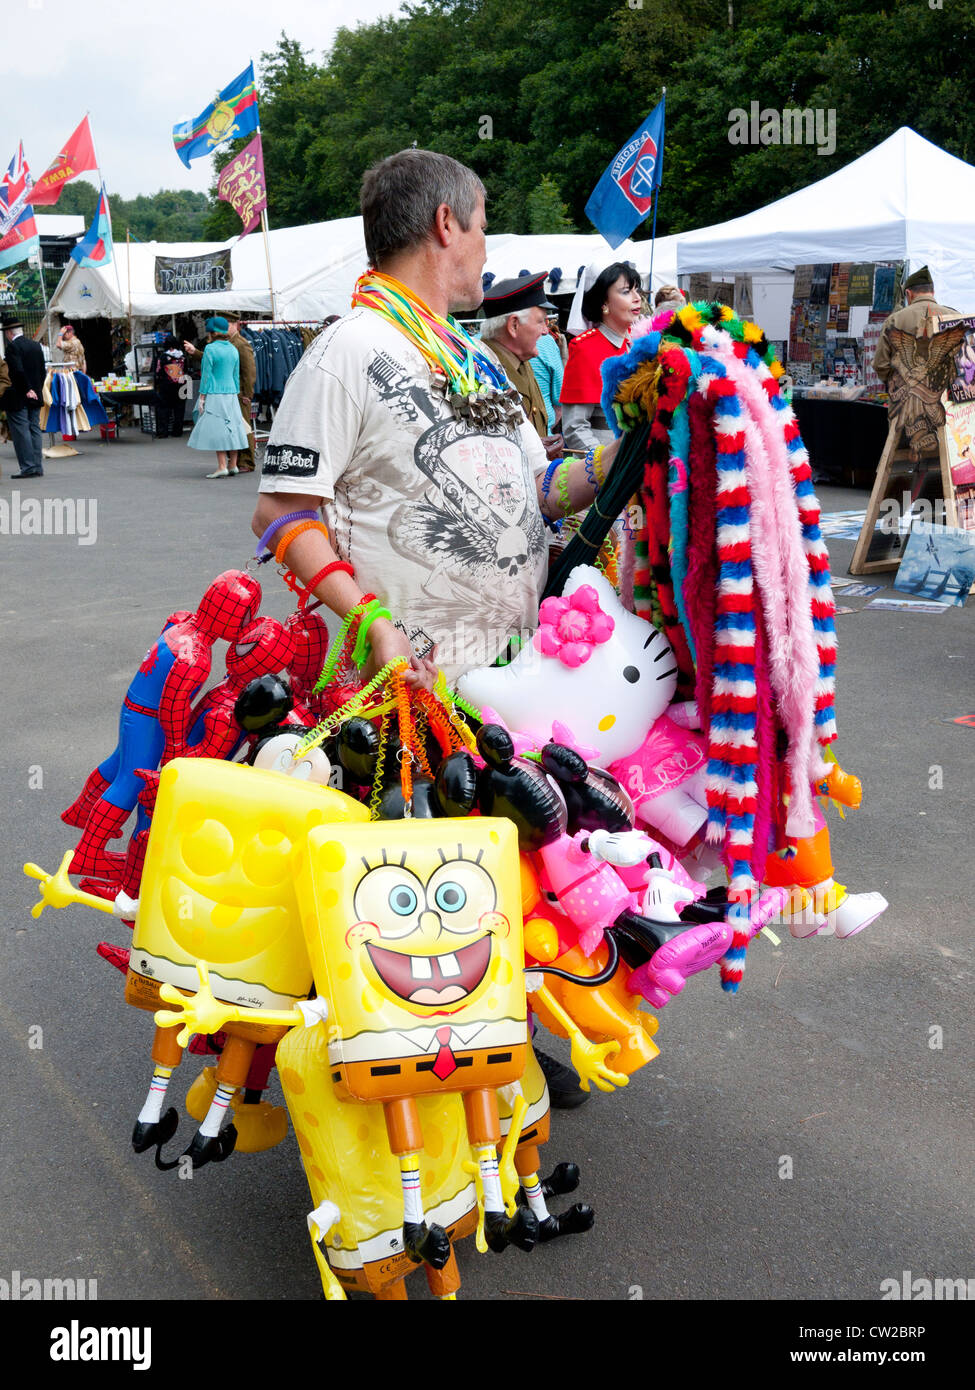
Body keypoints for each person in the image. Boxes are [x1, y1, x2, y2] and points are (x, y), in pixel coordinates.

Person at [560, 261, 642, 453]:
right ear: (604, 302)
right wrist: (606, 466)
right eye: (626, 292)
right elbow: (575, 428)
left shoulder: (639, 345)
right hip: (605, 470)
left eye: (637, 290)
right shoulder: (585, 348)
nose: (637, 298)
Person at [479, 272, 562, 458]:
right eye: (540, 321)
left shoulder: (519, 360)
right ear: (514, 325)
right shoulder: (482, 371)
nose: (546, 331)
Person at [872, 265, 956, 388]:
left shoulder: (895, 320)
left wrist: (898, 385)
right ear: (932, 292)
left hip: (907, 398)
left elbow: (880, 364)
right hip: (947, 400)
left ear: (908, 293)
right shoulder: (955, 317)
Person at [186, 315, 249, 478]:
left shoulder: (210, 349)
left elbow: (206, 376)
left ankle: (222, 466)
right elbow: (236, 375)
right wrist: (236, 392)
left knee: (218, 429)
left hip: (215, 393)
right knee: (233, 427)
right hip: (231, 393)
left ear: (212, 333)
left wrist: (201, 397)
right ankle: (233, 464)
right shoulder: (233, 349)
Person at [1, 314, 46, 477]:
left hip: (18, 396)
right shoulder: (35, 346)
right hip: (35, 394)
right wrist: (36, 389)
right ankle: (37, 466)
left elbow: (17, 370)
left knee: (21, 431)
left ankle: (27, 467)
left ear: (9, 333)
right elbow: (43, 372)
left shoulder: (13, 348)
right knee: (34, 428)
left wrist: (27, 389)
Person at [151, 336, 187, 438]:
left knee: (163, 409)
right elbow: (187, 370)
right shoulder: (183, 356)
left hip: (166, 386)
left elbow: (158, 371)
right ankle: (177, 431)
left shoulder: (163, 357)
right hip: (182, 386)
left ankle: (163, 432)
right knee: (179, 410)